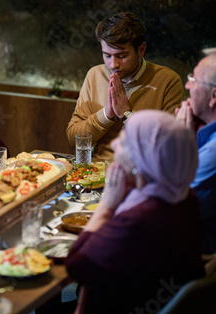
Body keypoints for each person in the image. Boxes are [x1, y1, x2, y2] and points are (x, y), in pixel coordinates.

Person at [66, 110, 204, 313]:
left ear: (142, 159)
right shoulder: (185, 197)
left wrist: (106, 207)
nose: (113, 145)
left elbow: (76, 266)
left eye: (122, 142)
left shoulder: (139, 220)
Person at [66, 12, 184, 161]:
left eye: (121, 56)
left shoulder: (167, 80)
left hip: (144, 173)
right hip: (98, 170)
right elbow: (73, 138)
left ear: (141, 50)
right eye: (107, 55)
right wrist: (106, 114)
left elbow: (169, 145)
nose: (113, 65)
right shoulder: (95, 75)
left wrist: (126, 114)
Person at [176, 52, 216, 254]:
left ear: (214, 96)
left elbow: (172, 206)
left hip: (198, 252)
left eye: (193, 80)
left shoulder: (214, 151)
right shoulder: (208, 135)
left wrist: (178, 145)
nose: (187, 86)